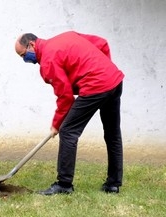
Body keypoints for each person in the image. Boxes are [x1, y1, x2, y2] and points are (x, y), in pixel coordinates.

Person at [14, 31, 124, 195]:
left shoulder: (48, 61)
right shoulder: (66, 36)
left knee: (68, 131)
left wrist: (56, 125)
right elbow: (102, 43)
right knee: (112, 133)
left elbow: (65, 98)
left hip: (95, 86)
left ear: (31, 45)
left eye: (23, 55)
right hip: (114, 80)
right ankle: (113, 184)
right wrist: (104, 69)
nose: (25, 60)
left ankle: (64, 185)